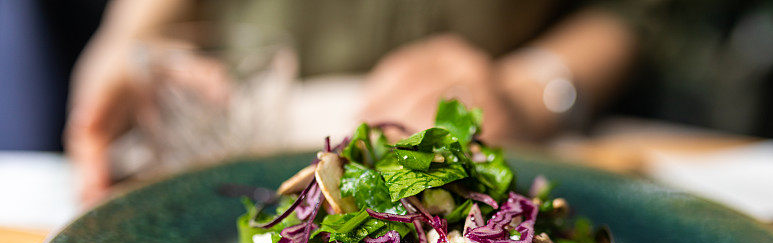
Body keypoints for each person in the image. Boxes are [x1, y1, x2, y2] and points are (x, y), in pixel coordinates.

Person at [64, 0, 639, 203]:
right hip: (257, 124)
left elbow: (645, 14)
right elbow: (145, 24)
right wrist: (127, 44)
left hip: (502, 138)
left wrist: (529, 86)